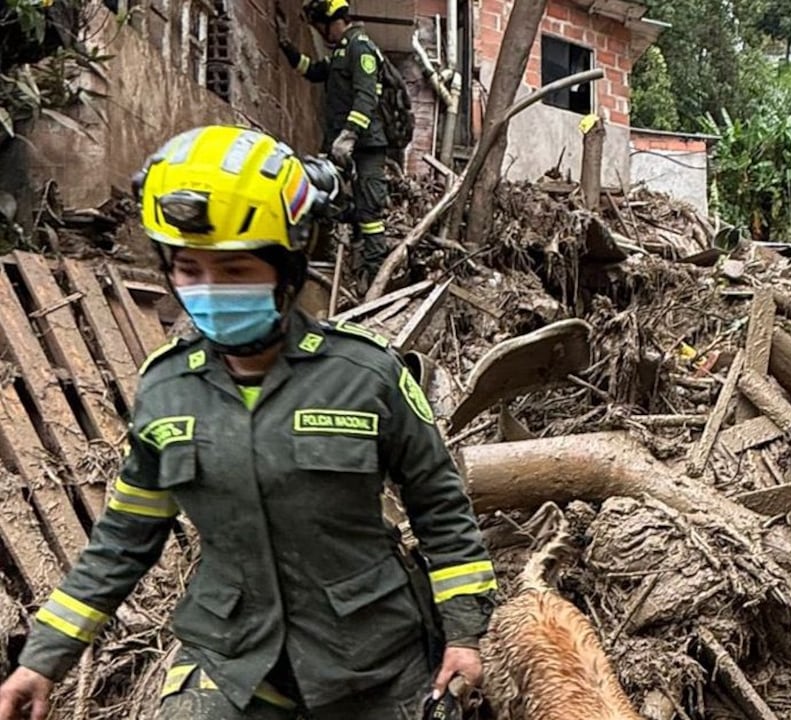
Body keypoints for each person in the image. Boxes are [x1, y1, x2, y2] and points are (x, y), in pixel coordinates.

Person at [0, 125, 496, 720]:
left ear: (287, 268)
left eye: (235, 271)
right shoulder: (166, 391)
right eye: (189, 269)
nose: (210, 290)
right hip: (232, 660)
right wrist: (43, 658)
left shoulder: (366, 374)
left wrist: (466, 635)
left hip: (374, 661)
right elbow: (122, 542)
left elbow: (440, 505)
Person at [278, 0, 390, 289]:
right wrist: (287, 47)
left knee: (369, 213)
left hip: (365, 146)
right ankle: (344, 267)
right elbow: (314, 71)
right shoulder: (341, 50)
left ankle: (377, 278)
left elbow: (366, 97)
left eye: (318, 26)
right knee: (331, 200)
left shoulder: (360, 47)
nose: (319, 32)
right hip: (341, 146)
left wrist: (350, 135)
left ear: (330, 21)